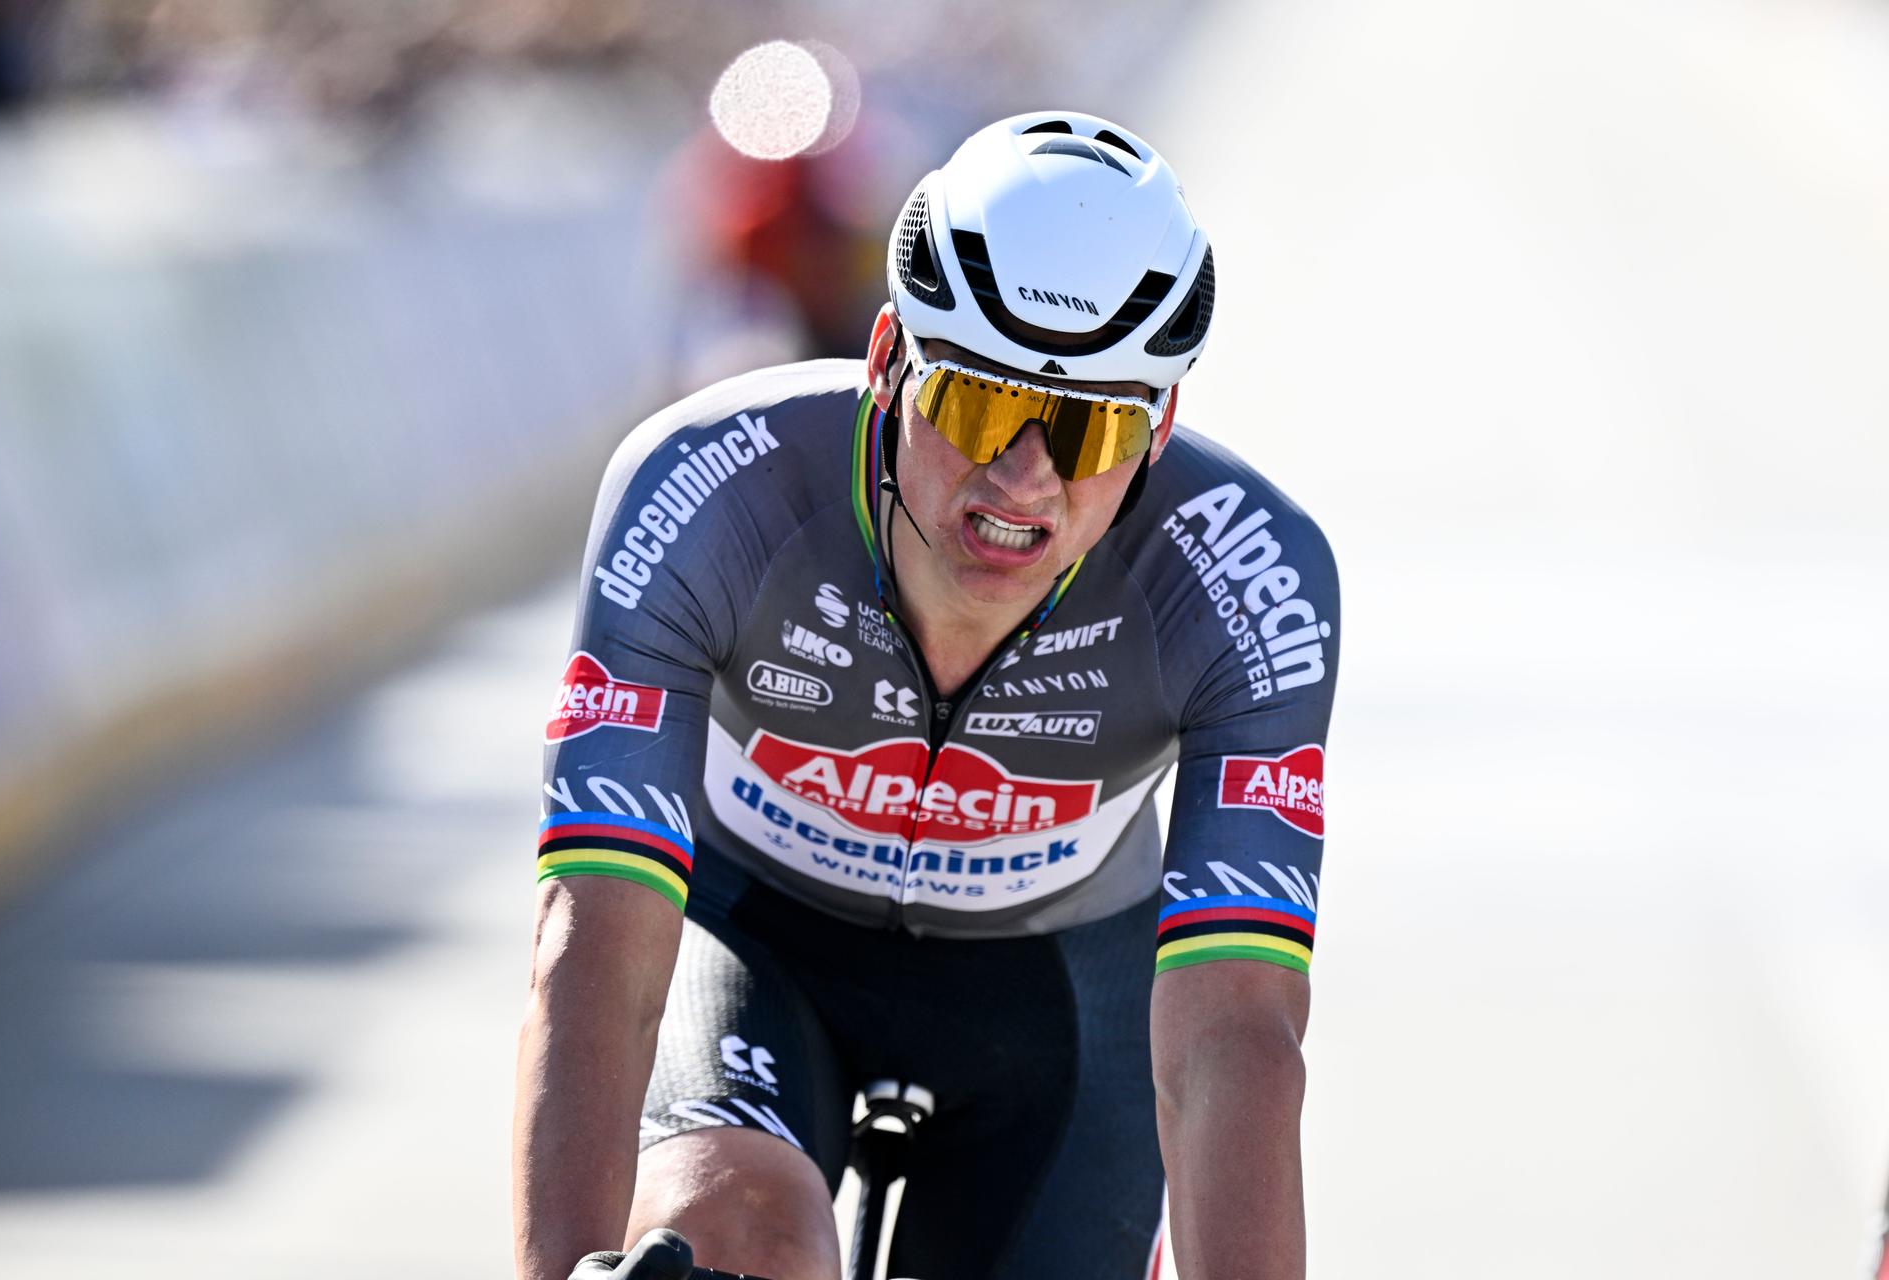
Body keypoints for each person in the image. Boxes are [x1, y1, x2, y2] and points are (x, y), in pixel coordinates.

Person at [513, 110, 1339, 1280]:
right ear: (889, 357)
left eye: (1086, 425)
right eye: (979, 407)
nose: (1024, 476)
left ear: (1157, 427)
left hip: (1057, 990)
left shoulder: (1247, 576)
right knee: (729, 1216)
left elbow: (1236, 1034)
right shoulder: (706, 491)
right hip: (758, 939)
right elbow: (595, 939)